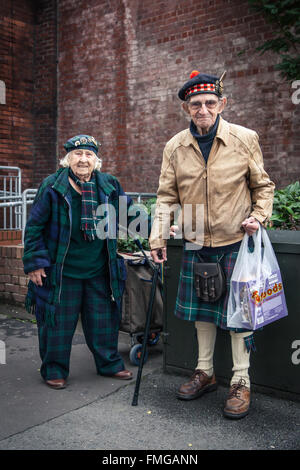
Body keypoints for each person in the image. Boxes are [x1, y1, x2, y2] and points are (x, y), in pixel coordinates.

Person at [149, 71, 275, 418]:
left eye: (209, 103)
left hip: (236, 240)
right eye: (195, 104)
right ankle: (205, 372)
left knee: (240, 315)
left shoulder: (244, 138)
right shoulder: (175, 147)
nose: (202, 109)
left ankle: (241, 381)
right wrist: (158, 236)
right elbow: (165, 197)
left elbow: (263, 186)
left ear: (222, 103)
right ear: (186, 108)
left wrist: (259, 217)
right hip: (194, 241)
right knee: (202, 312)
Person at [23, 134, 147, 389]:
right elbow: (34, 226)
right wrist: (35, 262)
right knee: (57, 325)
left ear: (96, 161)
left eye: (89, 155)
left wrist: (159, 231)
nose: (83, 159)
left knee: (103, 322)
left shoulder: (108, 185)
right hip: (62, 271)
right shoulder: (52, 186)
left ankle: (109, 364)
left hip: (99, 270)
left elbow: (131, 214)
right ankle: (54, 369)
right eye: (78, 155)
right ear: (67, 159)